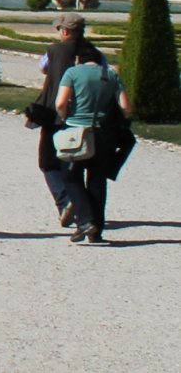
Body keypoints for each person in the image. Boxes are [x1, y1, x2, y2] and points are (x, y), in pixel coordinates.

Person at [30, 14, 107, 229]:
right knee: (80, 162)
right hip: (88, 116)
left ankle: (65, 201)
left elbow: (42, 67)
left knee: (48, 162)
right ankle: (86, 210)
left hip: (57, 114)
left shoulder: (54, 50)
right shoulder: (94, 53)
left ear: (65, 31)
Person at [55, 46, 131, 244]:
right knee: (97, 180)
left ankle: (86, 221)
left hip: (77, 132)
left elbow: (61, 103)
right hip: (105, 134)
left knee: (71, 177)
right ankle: (95, 231)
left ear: (79, 58)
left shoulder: (72, 72)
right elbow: (126, 107)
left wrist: (65, 118)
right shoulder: (111, 75)